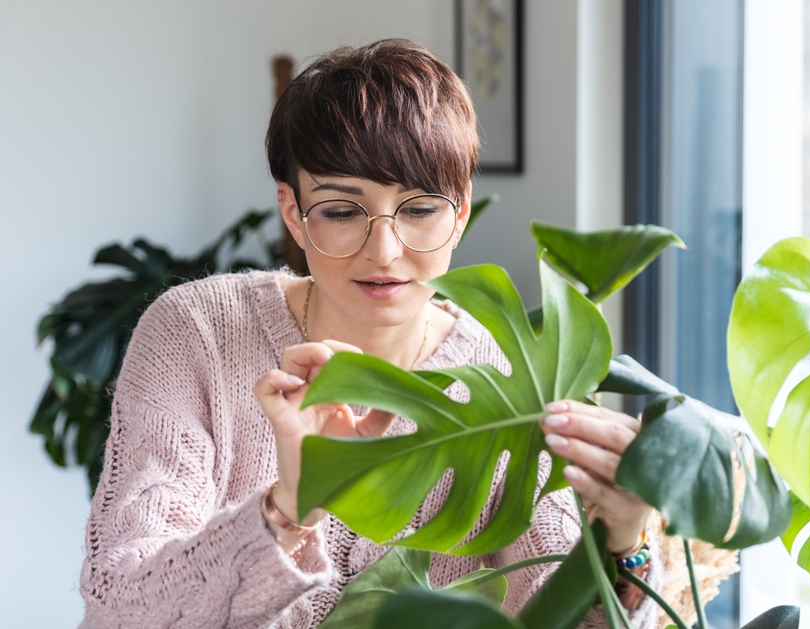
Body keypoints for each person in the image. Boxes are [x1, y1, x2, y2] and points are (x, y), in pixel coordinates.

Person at [79, 39, 733, 629]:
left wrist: (624, 541)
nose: (385, 250)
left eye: (419, 209)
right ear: (294, 214)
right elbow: (120, 608)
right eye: (340, 210)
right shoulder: (195, 335)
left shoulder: (511, 379)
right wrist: (287, 508)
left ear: (461, 213)